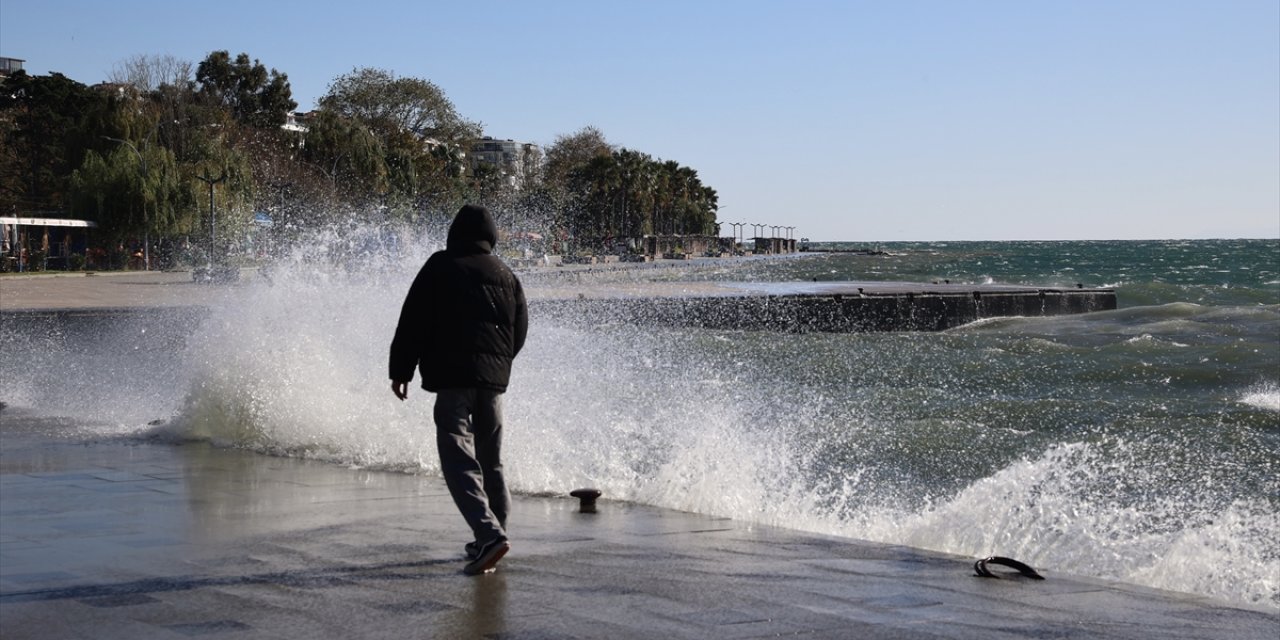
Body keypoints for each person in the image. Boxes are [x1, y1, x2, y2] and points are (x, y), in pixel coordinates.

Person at [389, 204, 529, 575]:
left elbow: (413, 320)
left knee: (457, 457)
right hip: (493, 382)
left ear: (454, 232)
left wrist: (401, 369)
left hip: (453, 380)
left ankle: (488, 535)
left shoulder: (440, 265)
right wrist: (498, 364)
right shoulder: (506, 273)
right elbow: (519, 331)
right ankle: (492, 533)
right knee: (491, 461)